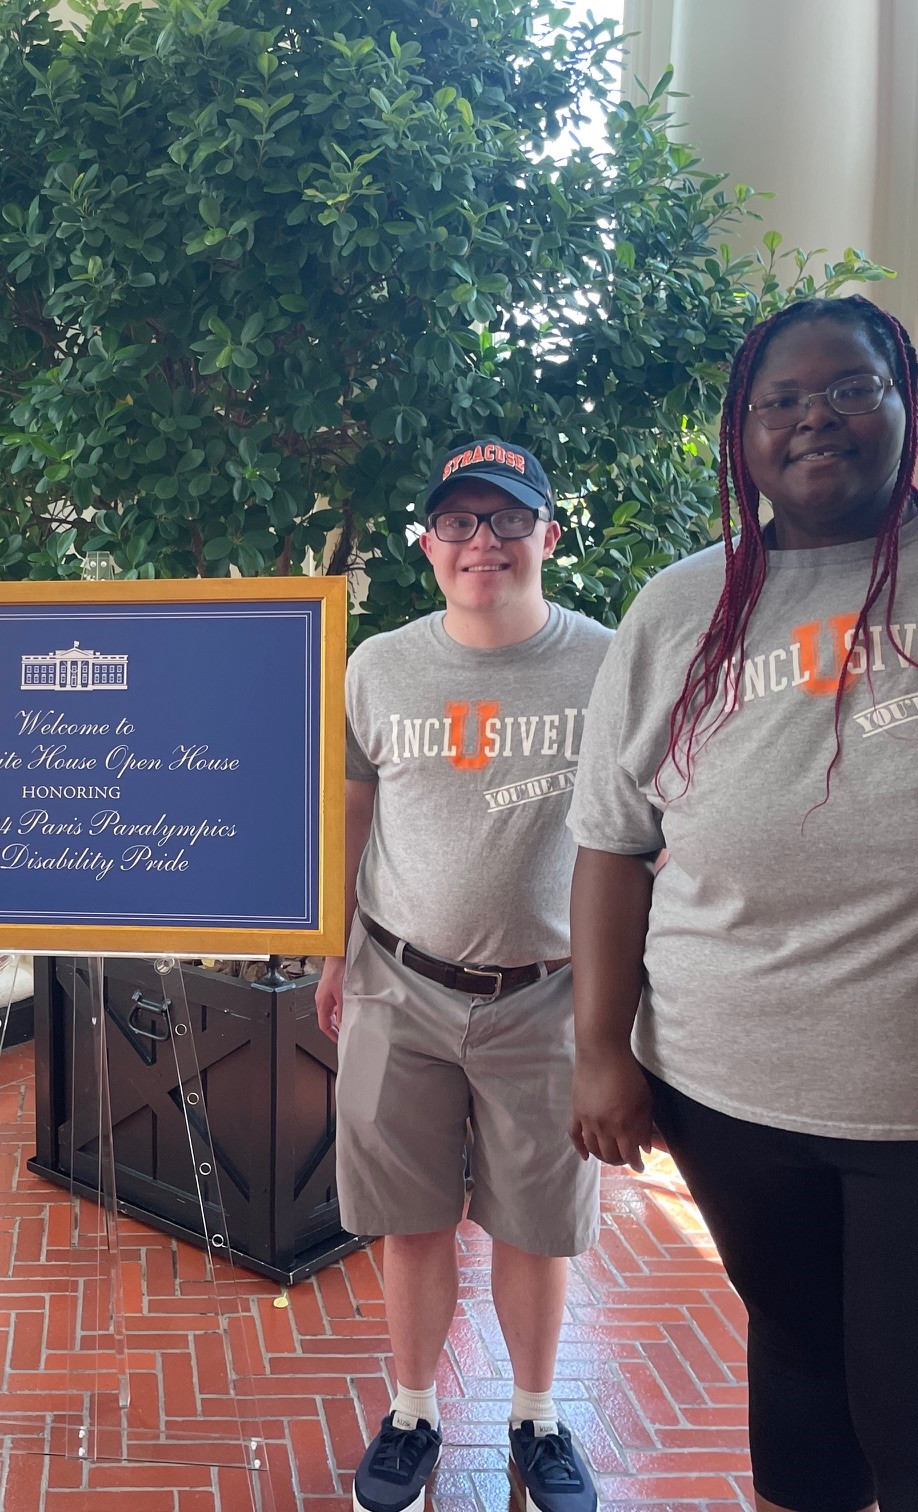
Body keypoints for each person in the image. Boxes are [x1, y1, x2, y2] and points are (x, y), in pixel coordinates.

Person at [568, 295, 918, 1512]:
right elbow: (609, 843)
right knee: (801, 1379)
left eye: (849, 387)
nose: (816, 418)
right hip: (733, 1096)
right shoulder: (679, 607)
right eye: (780, 400)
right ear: (742, 434)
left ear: (905, 397)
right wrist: (598, 1052)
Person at [317, 440, 610, 1512]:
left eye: (505, 520)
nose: (481, 542)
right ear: (428, 543)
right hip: (399, 983)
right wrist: (332, 949)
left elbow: (642, 841)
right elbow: (352, 809)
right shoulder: (379, 666)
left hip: (547, 993)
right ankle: (412, 1412)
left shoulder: (607, 665)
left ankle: (536, 1418)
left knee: (538, 1221)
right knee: (413, 1217)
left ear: (548, 535)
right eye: (458, 523)